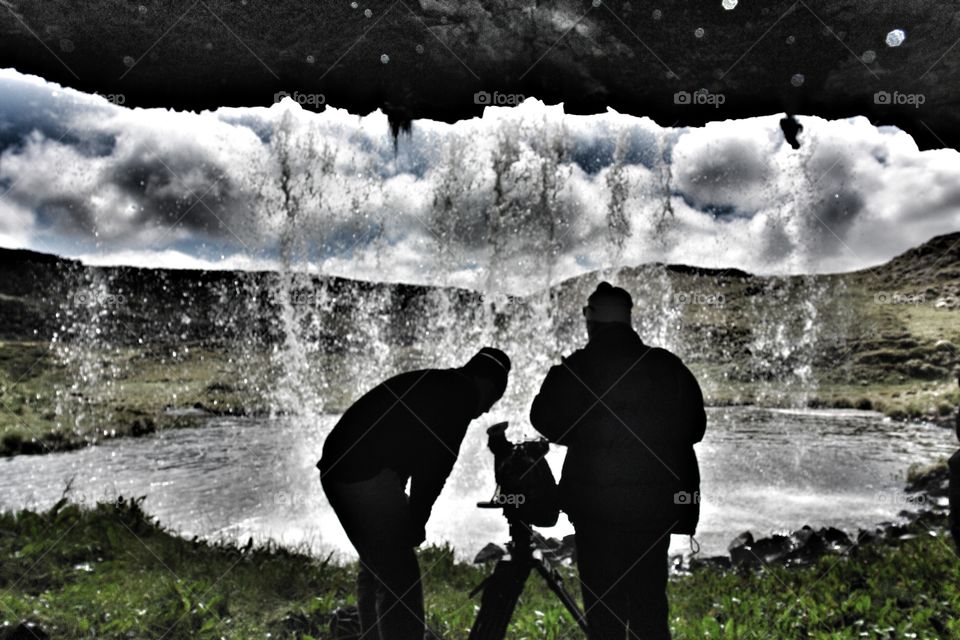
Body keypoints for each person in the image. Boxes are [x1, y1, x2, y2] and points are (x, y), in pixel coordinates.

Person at [530, 282, 705, 640]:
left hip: (596, 511)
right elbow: (695, 428)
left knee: (603, 612)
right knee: (649, 607)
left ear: (590, 321)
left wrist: (587, 431)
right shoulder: (666, 366)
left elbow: (543, 420)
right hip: (653, 509)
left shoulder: (575, 368)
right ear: (628, 319)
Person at [318, 347, 511, 640]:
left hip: (338, 466)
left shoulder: (437, 383)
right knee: (400, 577)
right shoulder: (460, 398)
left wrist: (408, 515)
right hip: (363, 473)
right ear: (487, 385)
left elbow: (406, 444)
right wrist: (416, 522)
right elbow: (433, 471)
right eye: (492, 401)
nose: (486, 410)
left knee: (378, 565)